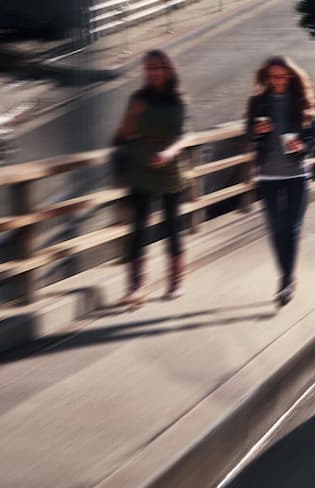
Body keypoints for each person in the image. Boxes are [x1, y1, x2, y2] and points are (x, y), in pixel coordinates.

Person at [112, 49, 190, 308]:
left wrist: (168, 153)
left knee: (172, 228)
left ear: (168, 70)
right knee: (139, 229)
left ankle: (176, 281)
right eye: (149, 68)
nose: (153, 72)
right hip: (140, 165)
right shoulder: (138, 98)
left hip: (168, 167)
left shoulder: (177, 99)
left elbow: (184, 135)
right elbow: (123, 133)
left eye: (158, 68)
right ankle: (136, 288)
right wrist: (134, 114)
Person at [245, 56, 315, 307]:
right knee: (276, 230)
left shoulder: (301, 102)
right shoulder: (257, 102)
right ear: (266, 77)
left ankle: (287, 280)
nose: (277, 81)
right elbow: (248, 133)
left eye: (282, 76)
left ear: (290, 77)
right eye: (273, 77)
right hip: (268, 175)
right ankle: (285, 275)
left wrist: (302, 145)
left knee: (292, 228)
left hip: (297, 173)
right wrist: (257, 133)